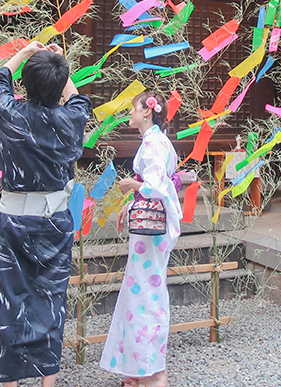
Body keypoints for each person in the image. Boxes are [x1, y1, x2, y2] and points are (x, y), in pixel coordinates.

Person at [0, 41, 91, 387]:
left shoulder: (8, 113)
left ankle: (10, 381)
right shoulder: (71, 119)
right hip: (54, 222)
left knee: (8, 300)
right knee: (51, 299)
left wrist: (27, 53)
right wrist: (60, 66)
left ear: (25, 84)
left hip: (12, 221)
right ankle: (48, 382)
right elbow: (79, 101)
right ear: (59, 87)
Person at [100, 91, 182, 387]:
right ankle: (140, 367)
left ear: (146, 112)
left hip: (150, 230)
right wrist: (130, 201)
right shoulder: (156, 142)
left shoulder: (153, 144)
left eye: (133, 109)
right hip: (150, 226)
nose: (130, 114)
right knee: (141, 292)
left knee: (146, 295)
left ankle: (153, 371)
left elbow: (156, 185)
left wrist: (132, 184)